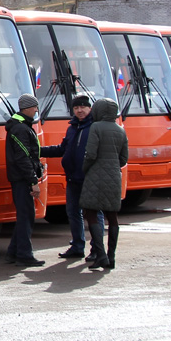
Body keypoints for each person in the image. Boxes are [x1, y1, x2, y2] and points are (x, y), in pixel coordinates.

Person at [39, 94, 101, 261]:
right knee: (73, 213)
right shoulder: (72, 128)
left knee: (95, 215)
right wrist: (38, 150)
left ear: (90, 108)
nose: (80, 110)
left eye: (83, 107)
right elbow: (62, 149)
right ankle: (77, 246)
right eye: (76, 108)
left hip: (90, 180)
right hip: (73, 178)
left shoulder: (95, 127)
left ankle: (97, 249)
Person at [79, 97, 128, 270]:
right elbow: (124, 159)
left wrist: (85, 169)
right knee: (112, 216)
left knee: (91, 213)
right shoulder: (121, 130)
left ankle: (100, 255)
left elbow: (90, 154)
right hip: (114, 176)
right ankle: (111, 256)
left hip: (95, 176)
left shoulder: (96, 127)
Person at [4, 93, 45, 267]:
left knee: (25, 215)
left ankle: (14, 252)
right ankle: (24, 254)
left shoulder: (20, 126)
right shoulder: (21, 129)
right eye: (35, 107)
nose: (36, 111)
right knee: (26, 216)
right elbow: (23, 158)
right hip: (22, 179)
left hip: (20, 178)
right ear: (28, 108)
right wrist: (33, 181)